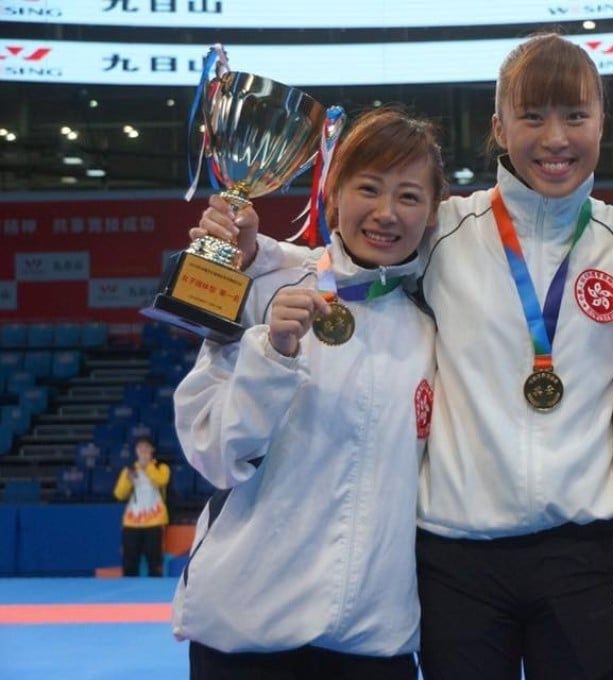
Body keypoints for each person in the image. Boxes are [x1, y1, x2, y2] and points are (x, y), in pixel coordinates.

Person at [195, 33, 613, 680]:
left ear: (601, 123)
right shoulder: (445, 228)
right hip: (456, 560)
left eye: (575, 116)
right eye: (532, 117)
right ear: (500, 126)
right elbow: (348, 266)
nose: (555, 137)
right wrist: (256, 258)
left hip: (581, 557)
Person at [171, 106, 447, 680]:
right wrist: (271, 355)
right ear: (332, 195)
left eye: (409, 196)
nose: (386, 213)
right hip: (248, 632)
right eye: (367, 188)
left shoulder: (437, 321)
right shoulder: (263, 287)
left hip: (375, 641)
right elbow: (214, 454)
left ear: (434, 212)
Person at [113, 434, 170, 577]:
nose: (143, 451)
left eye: (146, 448)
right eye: (140, 448)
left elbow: (161, 481)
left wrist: (147, 466)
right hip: (131, 522)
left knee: (154, 561)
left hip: (154, 521)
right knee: (129, 562)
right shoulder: (129, 470)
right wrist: (128, 481)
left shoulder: (162, 468)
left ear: (152, 450)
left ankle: (155, 594)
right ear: (136, 451)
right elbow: (119, 494)